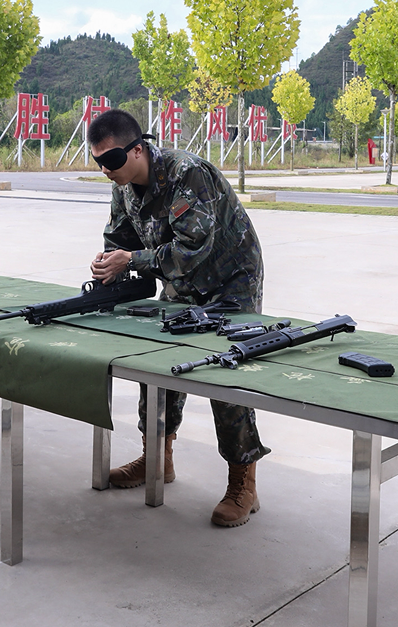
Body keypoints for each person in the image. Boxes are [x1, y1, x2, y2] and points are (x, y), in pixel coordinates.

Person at [87, 109, 268, 527]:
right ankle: (157, 458)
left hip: (230, 280)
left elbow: (191, 249)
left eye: (111, 160)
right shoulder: (124, 186)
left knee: (224, 374)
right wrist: (107, 264)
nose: (106, 170)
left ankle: (244, 481)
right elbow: (118, 238)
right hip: (181, 280)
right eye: (98, 162)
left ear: (137, 150)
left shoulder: (187, 173)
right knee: (158, 364)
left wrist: (131, 259)